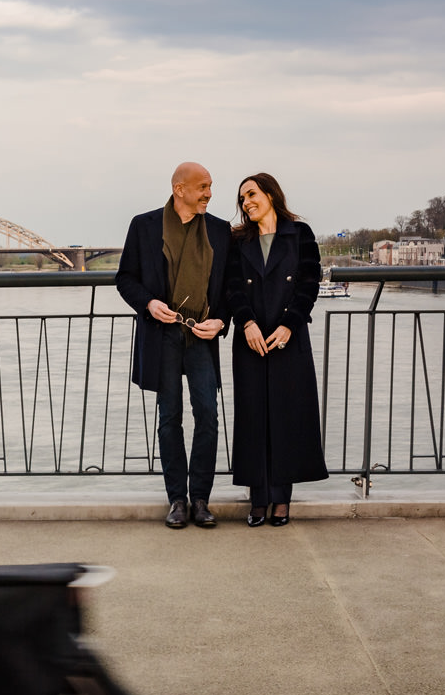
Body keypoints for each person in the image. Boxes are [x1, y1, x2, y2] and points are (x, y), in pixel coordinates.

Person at [115, 162, 233, 530]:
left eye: (211, 186)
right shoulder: (144, 225)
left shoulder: (219, 230)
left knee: (208, 417)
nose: (209, 193)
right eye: (202, 187)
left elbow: (230, 289)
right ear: (179, 189)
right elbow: (125, 279)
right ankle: (177, 501)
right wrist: (149, 303)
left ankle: (201, 499)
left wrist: (221, 320)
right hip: (161, 336)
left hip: (200, 337)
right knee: (169, 419)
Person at [223, 172, 329, 525]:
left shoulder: (300, 235)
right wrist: (247, 323)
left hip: (289, 338)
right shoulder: (237, 240)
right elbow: (232, 287)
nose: (246, 202)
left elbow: (309, 285)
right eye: (242, 198)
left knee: (287, 417)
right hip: (250, 339)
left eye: (251, 194)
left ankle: (281, 500)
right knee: (253, 418)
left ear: (270, 194)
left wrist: (288, 325)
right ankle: (258, 498)